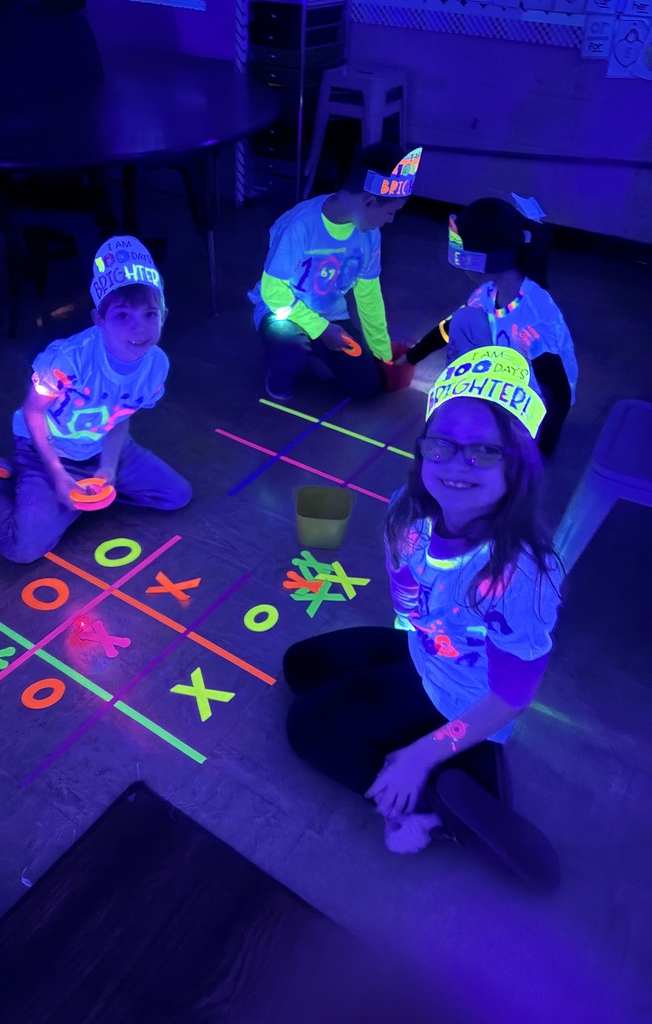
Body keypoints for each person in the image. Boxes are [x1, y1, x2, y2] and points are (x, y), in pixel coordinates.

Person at [283, 346, 563, 890]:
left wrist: (417, 754)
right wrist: (393, 673)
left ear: (518, 462)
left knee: (308, 728)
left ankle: (445, 802)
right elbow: (410, 601)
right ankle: (438, 749)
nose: (458, 464)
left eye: (486, 451)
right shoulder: (406, 511)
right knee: (303, 667)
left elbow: (511, 696)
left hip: (468, 697)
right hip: (426, 650)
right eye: (443, 445)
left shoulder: (523, 576)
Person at [0, 236, 192, 563]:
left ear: (164, 314)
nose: (139, 328)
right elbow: (33, 412)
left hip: (102, 447)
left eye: (150, 314)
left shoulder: (156, 365)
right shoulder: (68, 359)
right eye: (123, 315)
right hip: (47, 451)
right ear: (98, 320)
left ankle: (76, 498)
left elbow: (121, 416)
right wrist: (56, 472)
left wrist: (108, 468)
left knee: (175, 495)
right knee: (22, 549)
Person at [403, 197, 578, 456]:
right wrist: (411, 357)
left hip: (533, 396)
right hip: (505, 370)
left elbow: (558, 394)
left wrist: (542, 447)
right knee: (466, 319)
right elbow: (450, 328)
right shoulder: (486, 294)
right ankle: (477, 403)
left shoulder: (535, 319)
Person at [248, 144, 422, 402]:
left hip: (331, 316)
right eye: (390, 212)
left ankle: (316, 350)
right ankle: (281, 366)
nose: (390, 220)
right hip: (282, 313)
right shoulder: (299, 227)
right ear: (370, 202)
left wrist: (383, 354)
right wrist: (321, 329)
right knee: (290, 349)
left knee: (367, 385)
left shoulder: (370, 235)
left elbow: (369, 295)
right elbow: (273, 293)